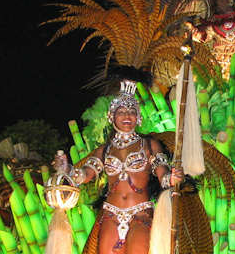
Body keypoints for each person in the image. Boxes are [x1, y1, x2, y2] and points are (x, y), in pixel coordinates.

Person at [53, 80, 183, 254]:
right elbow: (85, 174)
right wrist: (66, 169)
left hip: (141, 214)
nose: (127, 117)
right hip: (111, 215)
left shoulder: (149, 145)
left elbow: (163, 175)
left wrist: (172, 178)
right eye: (121, 112)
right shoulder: (105, 150)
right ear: (111, 116)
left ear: (138, 117)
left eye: (131, 112)